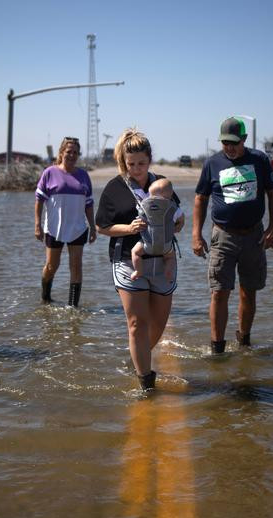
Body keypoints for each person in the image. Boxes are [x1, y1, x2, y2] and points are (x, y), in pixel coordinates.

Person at [95, 128, 184, 391]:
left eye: (141, 163)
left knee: (158, 323)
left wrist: (177, 225)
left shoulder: (163, 185)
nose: (136, 169)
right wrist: (129, 229)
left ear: (150, 159)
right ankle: (146, 381)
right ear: (124, 161)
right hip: (128, 260)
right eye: (131, 164)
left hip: (163, 259)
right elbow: (101, 227)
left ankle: (138, 357)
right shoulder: (114, 188)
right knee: (136, 324)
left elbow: (178, 217)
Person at [191, 117, 273, 354]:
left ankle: (244, 343)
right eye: (225, 143)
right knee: (219, 292)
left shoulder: (259, 160)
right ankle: (217, 348)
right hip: (223, 236)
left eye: (234, 143)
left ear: (244, 139)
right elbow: (200, 198)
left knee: (248, 292)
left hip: (254, 237)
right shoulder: (212, 163)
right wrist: (196, 235)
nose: (229, 147)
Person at [34, 136, 96, 307]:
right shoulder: (50, 173)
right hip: (55, 228)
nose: (72, 155)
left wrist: (93, 227)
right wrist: (37, 225)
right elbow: (39, 200)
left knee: (76, 267)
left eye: (75, 152)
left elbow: (89, 204)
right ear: (61, 153)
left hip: (78, 228)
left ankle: (72, 307)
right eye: (69, 152)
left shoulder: (83, 176)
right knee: (52, 266)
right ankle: (45, 298)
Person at [130, 177, 183, 282]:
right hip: (166, 244)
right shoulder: (173, 208)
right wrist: (178, 226)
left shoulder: (145, 207)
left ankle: (138, 271)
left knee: (135, 252)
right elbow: (181, 219)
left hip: (148, 243)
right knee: (170, 258)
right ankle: (168, 273)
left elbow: (139, 219)